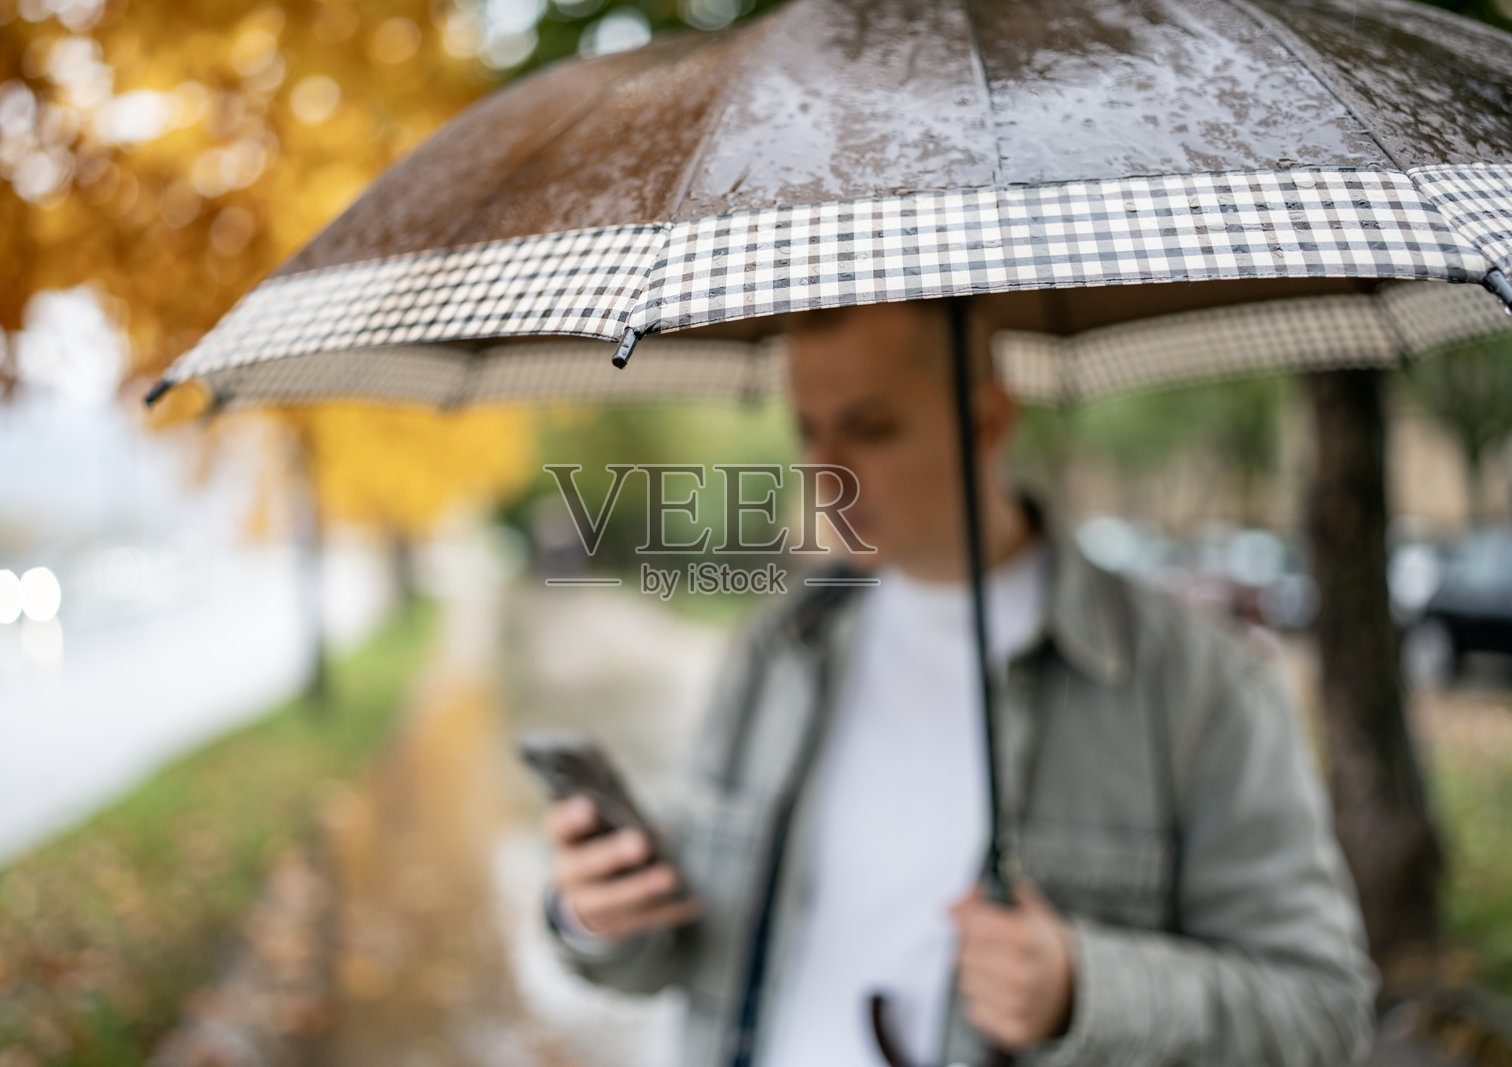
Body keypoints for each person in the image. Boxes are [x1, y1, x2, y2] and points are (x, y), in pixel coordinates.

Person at [540, 296, 1377, 1067]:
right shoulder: (777, 650)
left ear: (987, 420)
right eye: (807, 429)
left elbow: (1322, 1013)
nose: (824, 469)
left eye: (869, 428)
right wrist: (600, 916)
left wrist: (1085, 988)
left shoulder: (1201, 690)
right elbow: (690, 948)